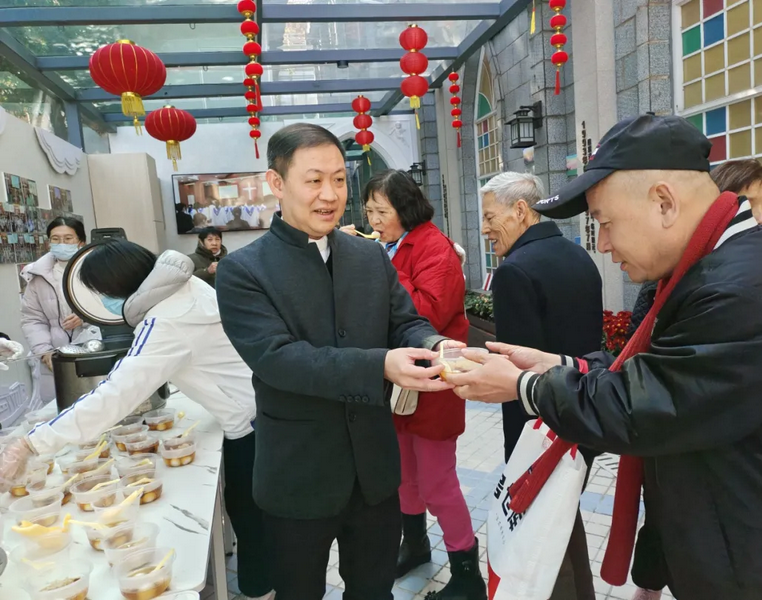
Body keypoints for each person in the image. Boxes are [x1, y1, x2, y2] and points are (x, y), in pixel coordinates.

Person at [445, 114, 762, 599]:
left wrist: (525, 386)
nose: (604, 245)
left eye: (605, 224)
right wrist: (559, 365)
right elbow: (658, 372)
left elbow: (650, 404)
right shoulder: (710, 269)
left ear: (664, 202)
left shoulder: (740, 290)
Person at [215, 123, 460, 600]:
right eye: (313, 180)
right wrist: (380, 366)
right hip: (297, 474)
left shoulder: (368, 256)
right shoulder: (243, 271)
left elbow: (404, 322)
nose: (330, 195)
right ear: (276, 183)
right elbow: (279, 360)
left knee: (373, 592)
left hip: (372, 470)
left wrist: (435, 346)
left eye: (339, 179)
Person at [2, 240, 273, 600]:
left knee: (252, 517)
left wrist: (32, 442)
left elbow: (115, 394)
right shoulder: (188, 288)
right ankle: (265, 583)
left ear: (119, 289)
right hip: (263, 412)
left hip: (252, 429)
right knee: (257, 515)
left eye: (101, 294)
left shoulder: (165, 320)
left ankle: (262, 590)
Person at [628, 157, 762, 600]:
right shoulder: (671, 286)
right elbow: (646, 374)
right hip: (685, 480)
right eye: (747, 205)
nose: (760, 218)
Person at [345, 170, 485, 599]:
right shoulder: (387, 246)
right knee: (404, 475)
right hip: (399, 381)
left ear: (405, 209)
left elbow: (426, 314)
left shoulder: (434, 248)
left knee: (438, 480)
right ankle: (416, 546)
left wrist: (380, 274)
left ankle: (466, 572)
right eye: (368, 211)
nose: (373, 220)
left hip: (434, 382)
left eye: (381, 211)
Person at [479, 171, 602, 600]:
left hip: (542, 427)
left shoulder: (516, 270)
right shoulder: (578, 255)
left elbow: (517, 377)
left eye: (490, 216)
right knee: (564, 519)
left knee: (545, 534)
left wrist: (518, 459)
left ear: (520, 210)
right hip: (585, 409)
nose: (483, 228)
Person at [20, 217, 99, 403]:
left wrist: (85, 317)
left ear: (81, 242)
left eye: (68, 238)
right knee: (61, 409)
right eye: (55, 239)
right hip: (55, 357)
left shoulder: (97, 268)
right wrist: (44, 351)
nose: (61, 243)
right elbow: (32, 319)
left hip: (94, 349)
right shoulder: (38, 275)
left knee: (98, 406)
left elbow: (114, 308)